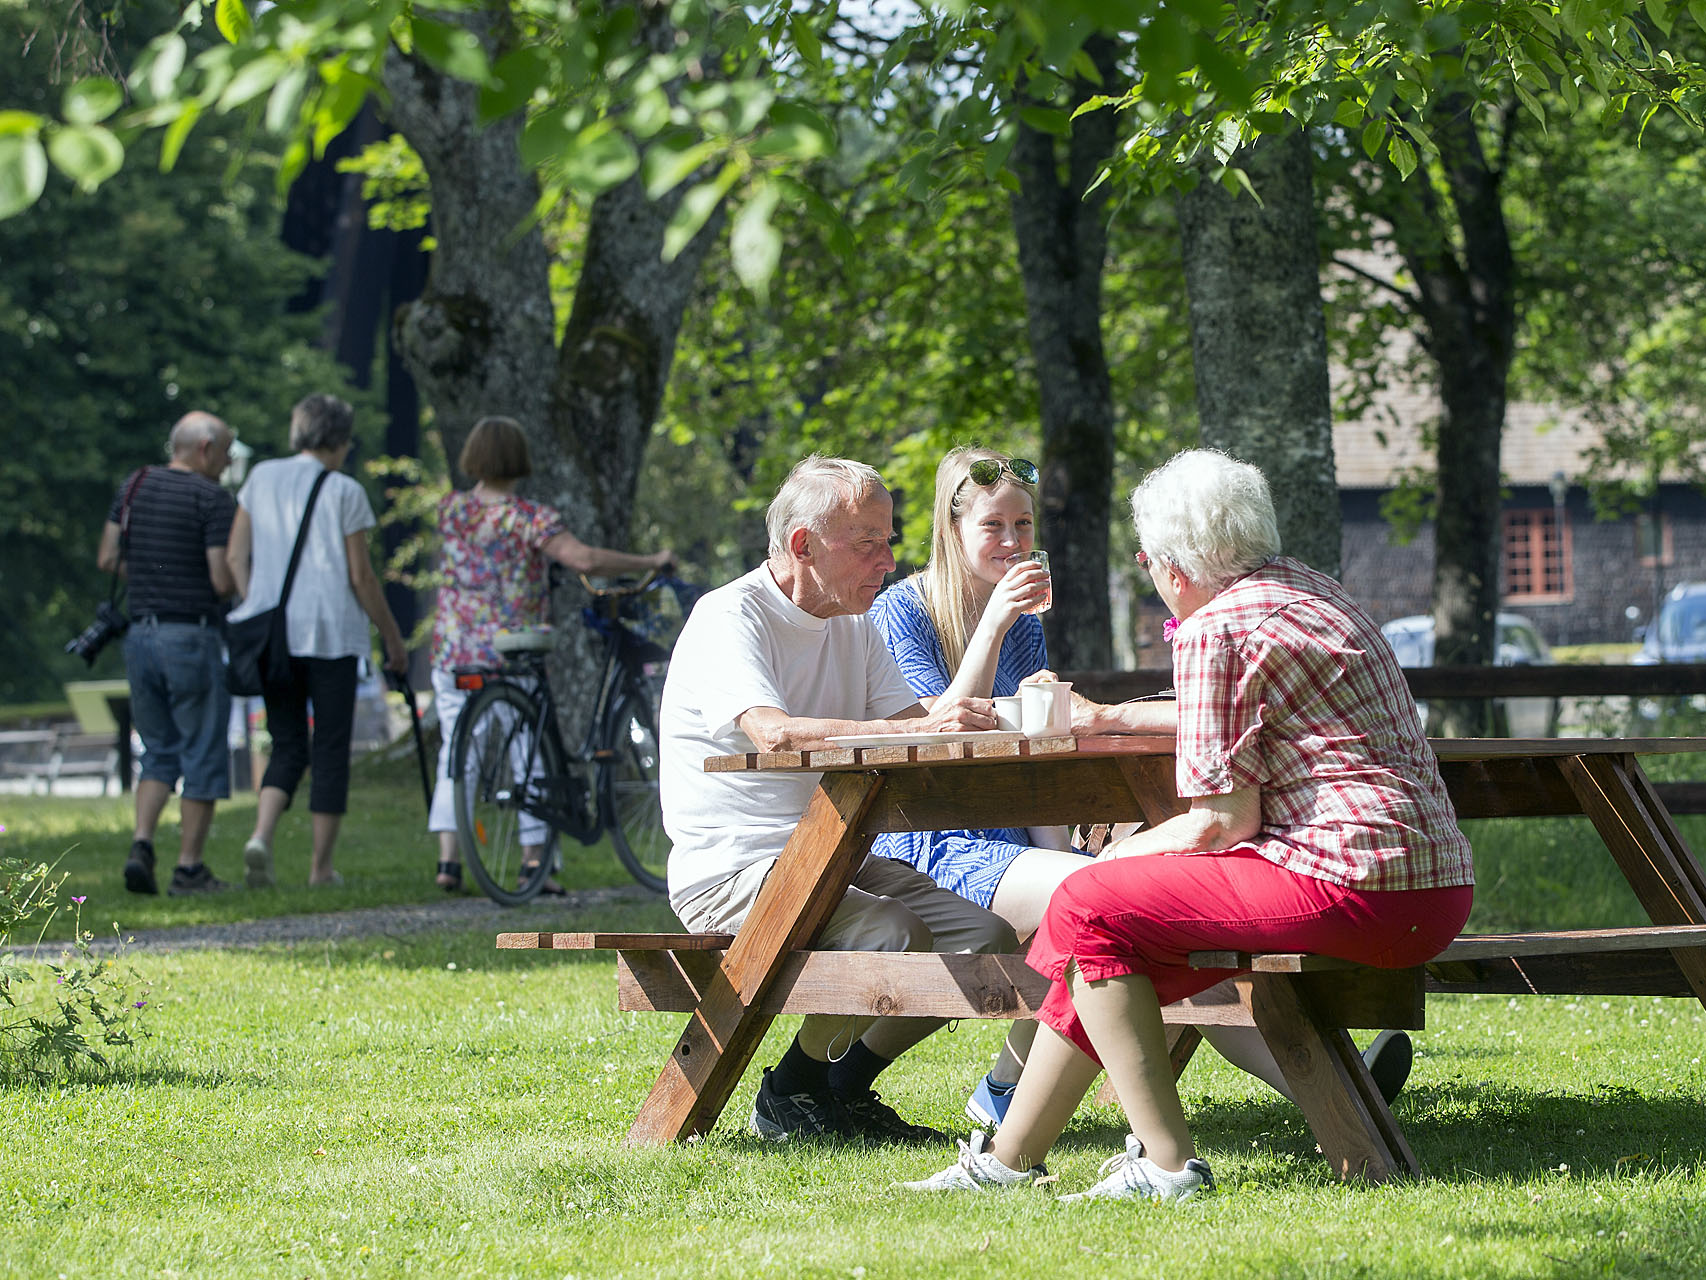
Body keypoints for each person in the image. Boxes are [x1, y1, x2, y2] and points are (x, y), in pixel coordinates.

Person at [905, 448, 1474, 1202]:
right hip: (1431, 889)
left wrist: (1117, 856)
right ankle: (1005, 1164)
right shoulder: (1310, 592)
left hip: (1348, 884)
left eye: (1145, 561)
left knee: (1087, 903)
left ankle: (1168, 1167)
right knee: (1101, 939)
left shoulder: (1213, 628)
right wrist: (1110, 718)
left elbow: (1219, 823)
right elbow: (1234, 719)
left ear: (1171, 563)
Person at [658, 454, 1018, 1144]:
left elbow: (916, 726)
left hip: (831, 859)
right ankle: (792, 1090)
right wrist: (920, 726)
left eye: (888, 541)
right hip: (733, 872)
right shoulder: (729, 616)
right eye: (867, 544)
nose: (887, 561)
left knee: (984, 935)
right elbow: (774, 731)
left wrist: (998, 719)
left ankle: (840, 1086)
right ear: (803, 545)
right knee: (891, 932)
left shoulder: (855, 622)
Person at [427, 415, 674, 894]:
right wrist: (650, 562)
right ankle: (533, 861)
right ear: (518, 459)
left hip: (455, 648)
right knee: (529, 751)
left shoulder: (451, 510)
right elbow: (582, 560)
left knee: (459, 750)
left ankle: (448, 862)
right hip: (512, 646)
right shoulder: (528, 517)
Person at [227, 394, 407, 888]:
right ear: (342, 440)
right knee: (329, 747)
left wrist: (256, 603)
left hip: (274, 636)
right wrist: (392, 638)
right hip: (331, 634)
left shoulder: (260, 478)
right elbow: (361, 577)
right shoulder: (346, 491)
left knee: (285, 742)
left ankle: (261, 835)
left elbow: (235, 557)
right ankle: (320, 869)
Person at [99, 412, 239, 895]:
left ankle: (142, 843)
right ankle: (189, 869)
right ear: (204, 448)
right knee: (201, 751)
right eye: (225, 453)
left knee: (158, 752)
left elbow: (108, 557)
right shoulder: (212, 498)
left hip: (140, 637)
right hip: (191, 638)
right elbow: (221, 577)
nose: (227, 464)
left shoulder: (134, 484)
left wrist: (153, 579)